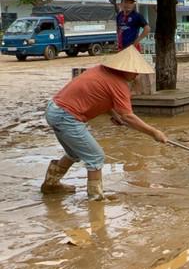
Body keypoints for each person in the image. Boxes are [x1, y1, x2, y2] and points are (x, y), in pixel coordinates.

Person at [41, 46, 168, 200]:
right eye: (134, 71)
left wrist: (113, 113)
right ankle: (95, 199)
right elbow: (128, 116)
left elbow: (99, 97)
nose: (136, 75)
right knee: (96, 157)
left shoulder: (100, 70)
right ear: (123, 69)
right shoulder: (118, 84)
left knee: (74, 153)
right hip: (66, 116)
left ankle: (51, 185)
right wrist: (154, 132)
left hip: (54, 110)